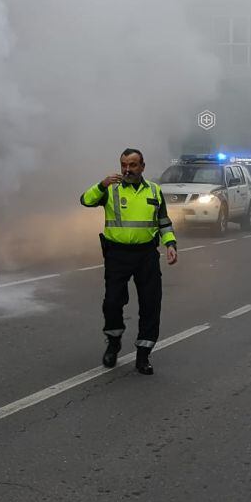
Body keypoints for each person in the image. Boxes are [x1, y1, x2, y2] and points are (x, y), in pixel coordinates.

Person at [80, 148, 178, 375]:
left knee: (151, 305)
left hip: (147, 255)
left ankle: (143, 355)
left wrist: (170, 244)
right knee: (112, 302)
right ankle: (113, 342)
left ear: (142, 167)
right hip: (117, 255)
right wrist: (101, 185)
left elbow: (164, 221)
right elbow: (85, 200)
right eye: (124, 164)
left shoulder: (154, 190)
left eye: (133, 165)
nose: (127, 169)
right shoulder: (110, 188)